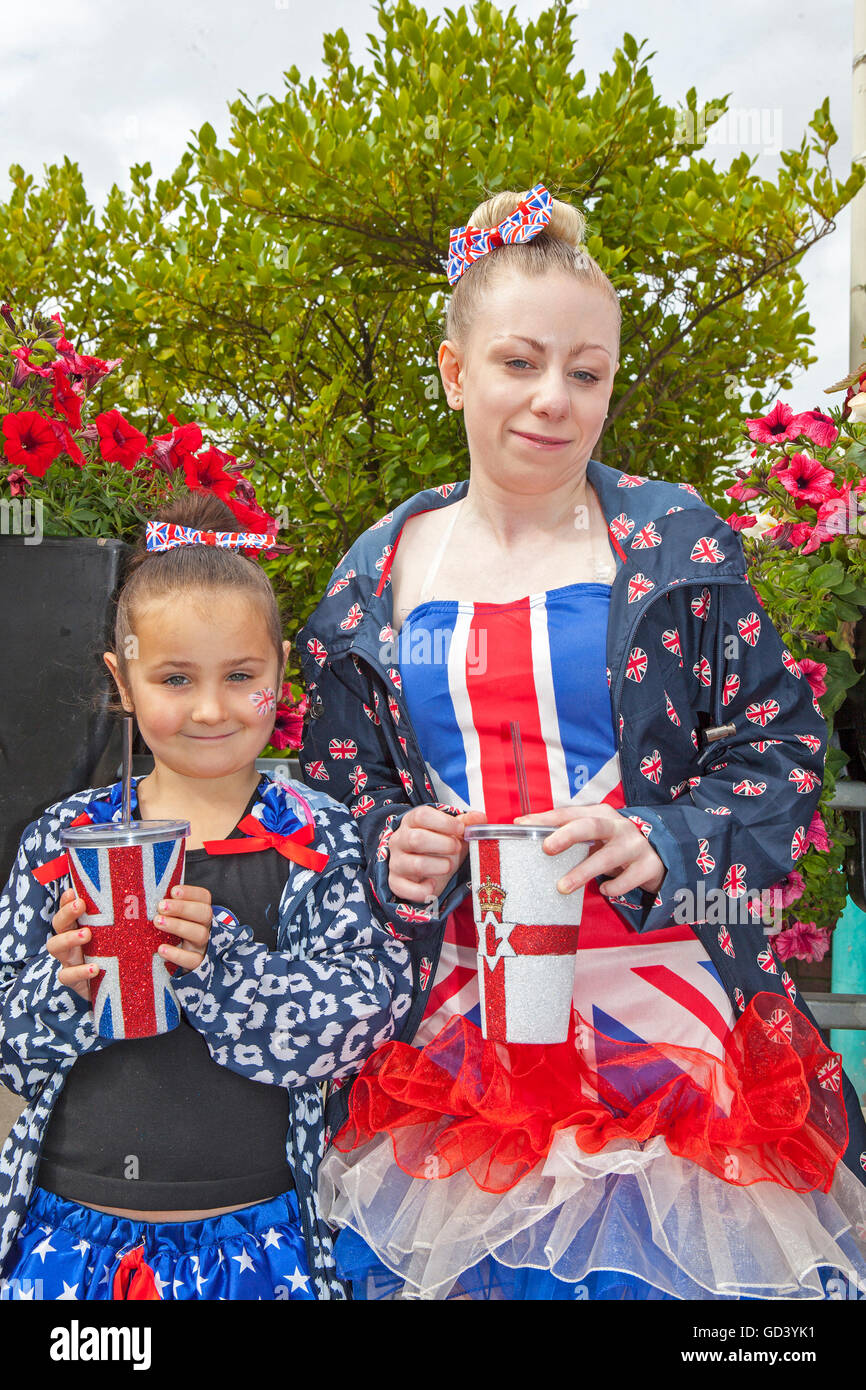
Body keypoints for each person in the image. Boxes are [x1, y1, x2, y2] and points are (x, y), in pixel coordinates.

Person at [297, 184, 866, 1300]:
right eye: (518, 362)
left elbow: (782, 750)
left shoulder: (670, 537)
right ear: (456, 371)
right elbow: (335, 796)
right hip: (455, 1036)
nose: (553, 399)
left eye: (586, 372)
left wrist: (663, 837)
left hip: (669, 1027)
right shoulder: (375, 567)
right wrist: (383, 848)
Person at [0, 491, 411, 1300]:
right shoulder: (63, 842)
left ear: (281, 675)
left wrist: (224, 964)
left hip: (260, 1238)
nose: (212, 709)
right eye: (175, 678)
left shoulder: (317, 837)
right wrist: (67, 984)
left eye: (241, 677)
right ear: (123, 681)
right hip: (72, 1235)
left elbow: (370, 1015)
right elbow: (8, 1037)